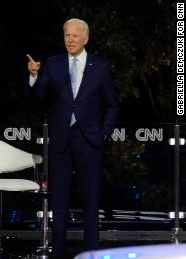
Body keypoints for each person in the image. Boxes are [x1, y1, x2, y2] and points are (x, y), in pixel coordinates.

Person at [26, 18, 118, 255]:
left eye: (75, 35)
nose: (70, 39)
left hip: (90, 141)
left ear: (85, 38)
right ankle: (58, 252)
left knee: (90, 200)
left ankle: (91, 252)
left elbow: (112, 106)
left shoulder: (100, 66)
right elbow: (37, 99)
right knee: (59, 200)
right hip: (62, 140)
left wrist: (102, 134)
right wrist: (34, 76)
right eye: (67, 35)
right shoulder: (53, 65)